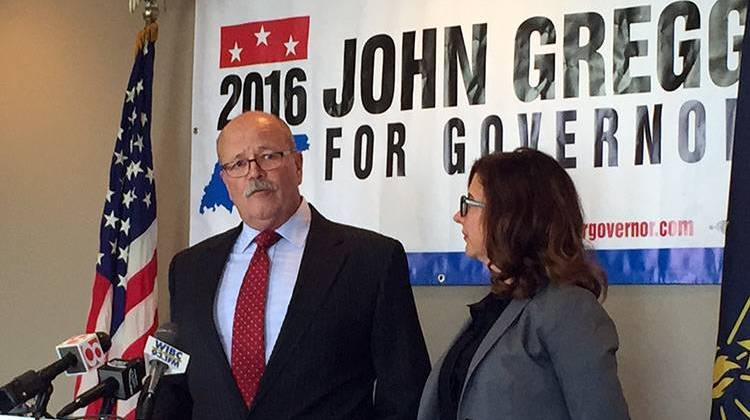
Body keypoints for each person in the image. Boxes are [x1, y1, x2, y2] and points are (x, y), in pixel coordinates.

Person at [156, 111, 430, 419]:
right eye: (238, 164)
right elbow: (174, 388)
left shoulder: (371, 259)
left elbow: (406, 392)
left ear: (297, 166)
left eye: (268, 156)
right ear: (226, 181)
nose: (254, 172)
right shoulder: (190, 269)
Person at [417, 148, 630, 420]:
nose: (458, 216)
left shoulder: (569, 310)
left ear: (509, 216)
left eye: (469, 203)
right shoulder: (497, 306)